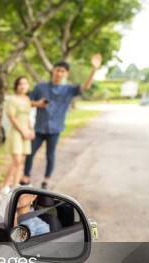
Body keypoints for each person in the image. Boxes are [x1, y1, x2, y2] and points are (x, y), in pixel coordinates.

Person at [21, 54, 102, 190]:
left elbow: (85, 87)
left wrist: (94, 69)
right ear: (53, 71)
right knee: (30, 153)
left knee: (50, 155)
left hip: (55, 129)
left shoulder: (68, 89)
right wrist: (37, 104)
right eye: (57, 70)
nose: (59, 73)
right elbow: (27, 102)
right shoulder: (40, 87)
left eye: (62, 71)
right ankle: (25, 177)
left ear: (66, 74)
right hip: (39, 128)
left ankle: (46, 181)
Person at [1, 76, 34, 194]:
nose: (23, 86)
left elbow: (28, 117)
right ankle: (4, 186)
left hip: (26, 132)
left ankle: (15, 186)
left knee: (22, 161)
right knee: (17, 161)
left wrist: (31, 130)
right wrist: (23, 131)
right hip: (16, 132)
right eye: (20, 84)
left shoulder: (27, 99)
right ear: (16, 86)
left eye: (25, 83)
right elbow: (12, 117)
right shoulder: (12, 99)